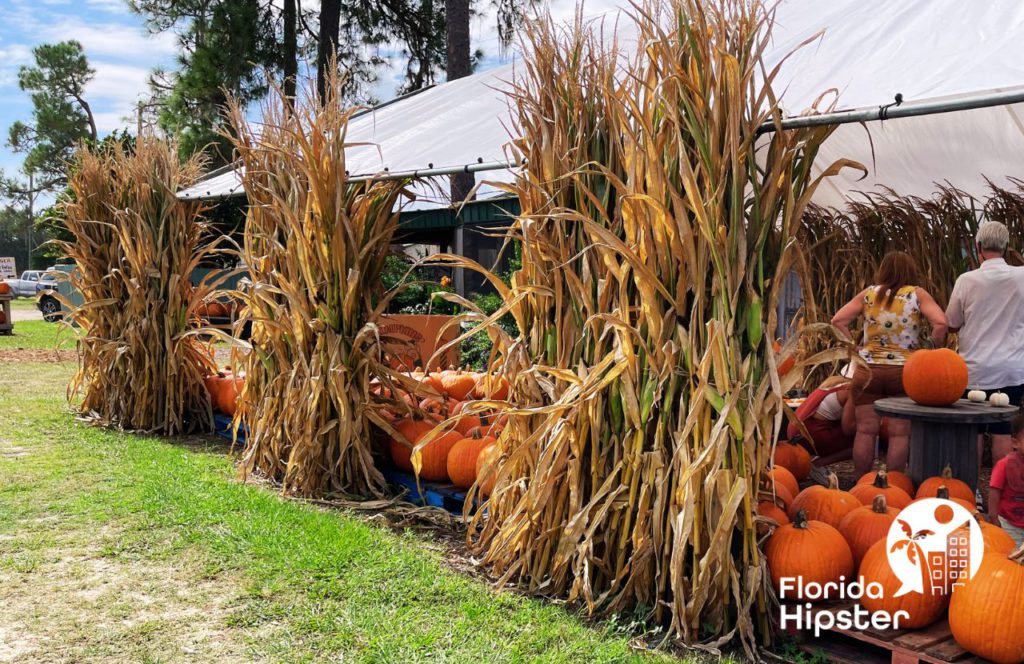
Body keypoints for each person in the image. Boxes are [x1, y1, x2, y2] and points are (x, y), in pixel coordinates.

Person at [831, 252, 948, 474]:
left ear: (883, 270)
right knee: (899, 433)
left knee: (865, 431)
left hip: (867, 371)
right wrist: (928, 351)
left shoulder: (869, 294)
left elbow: (837, 320)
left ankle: (861, 482)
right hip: (904, 373)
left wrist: (853, 347)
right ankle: (894, 484)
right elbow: (941, 322)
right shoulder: (916, 294)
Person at [944, 221, 1024, 464]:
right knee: (1002, 430)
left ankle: (971, 491)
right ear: (1006, 247)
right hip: (1012, 368)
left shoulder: (966, 280)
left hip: (973, 368)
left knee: (974, 431)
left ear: (978, 247)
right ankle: (1000, 490)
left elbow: (952, 323)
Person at [787, 371, 856, 465]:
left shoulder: (834, 380)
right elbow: (848, 428)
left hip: (796, 429)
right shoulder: (852, 390)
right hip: (811, 433)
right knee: (862, 440)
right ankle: (820, 462)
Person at [988, 412, 1024, 546]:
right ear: (1015, 443)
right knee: (1011, 555)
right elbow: (994, 491)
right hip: (1009, 523)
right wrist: (993, 517)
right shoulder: (1005, 465)